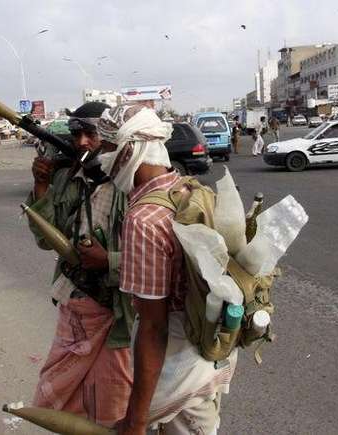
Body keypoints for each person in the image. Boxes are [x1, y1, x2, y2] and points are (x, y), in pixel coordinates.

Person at [97, 104, 236, 435]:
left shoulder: (144, 219)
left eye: (106, 149)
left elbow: (153, 328)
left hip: (180, 368)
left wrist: (136, 418)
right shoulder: (187, 188)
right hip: (211, 350)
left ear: (128, 150)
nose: (102, 161)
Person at [24, 101, 134, 428]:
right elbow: (46, 239)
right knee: (56, 395)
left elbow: (156, 261)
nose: (82, 142)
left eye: (91, 133)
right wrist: (42, 187)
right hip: (76, 303)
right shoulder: (70, 178)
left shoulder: (131, 184)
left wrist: (108, 261)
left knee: (113, 402)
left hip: (118, 314)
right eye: (77, 134)